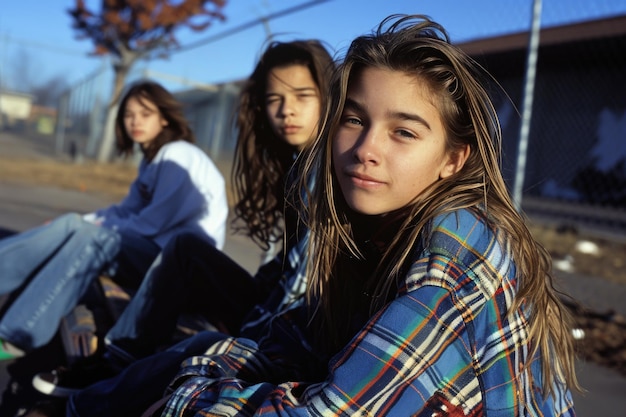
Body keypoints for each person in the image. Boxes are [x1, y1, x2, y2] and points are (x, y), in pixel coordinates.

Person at [153, 14, 579, 416]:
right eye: (354, 120)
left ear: (453, 158)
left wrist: (191, 391)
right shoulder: (371, 228)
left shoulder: (450, 260)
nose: (365, 150)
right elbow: (299, 339)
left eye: (404, 132)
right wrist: (212, 369)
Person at [29, 39, 335, 409]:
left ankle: (93, 393)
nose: (287, 110)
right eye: (275, 99)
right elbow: (283, 268)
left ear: (329, 96)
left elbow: (301, 288)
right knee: (186, 249)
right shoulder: (296, 168)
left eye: (303, 96)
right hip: (274, 305)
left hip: (299, 327)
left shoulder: (329, 168)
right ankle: (117, 360)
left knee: (196, 343)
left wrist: (242, 336)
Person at [0, 80, 228, 361]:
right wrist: (77, 222)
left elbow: (150, 224)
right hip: (150, 250)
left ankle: (19, 335)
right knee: (73, 223)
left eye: (145, 114)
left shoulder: (179, 154)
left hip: (176, 267)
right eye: (129, 114)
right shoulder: (152, 160)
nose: (135, 121)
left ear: (165, 117)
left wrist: (91, 228)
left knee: (92, 238)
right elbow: (123, 211)